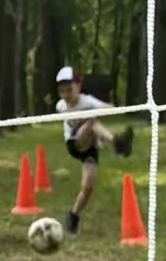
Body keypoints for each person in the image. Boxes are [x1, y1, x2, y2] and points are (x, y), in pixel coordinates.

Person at [54, 66, 133, 235]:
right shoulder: (61, 105)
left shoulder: (87, 101)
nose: (66, 95)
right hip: (74, 143)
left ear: (79, 87)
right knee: (91, 123)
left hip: (90, 147)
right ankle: (117, 142)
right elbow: (62, 110)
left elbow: (106, 106)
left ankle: (73, 216)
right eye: (62, 91)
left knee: (89, 185)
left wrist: (120, 108)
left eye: (69, 90)